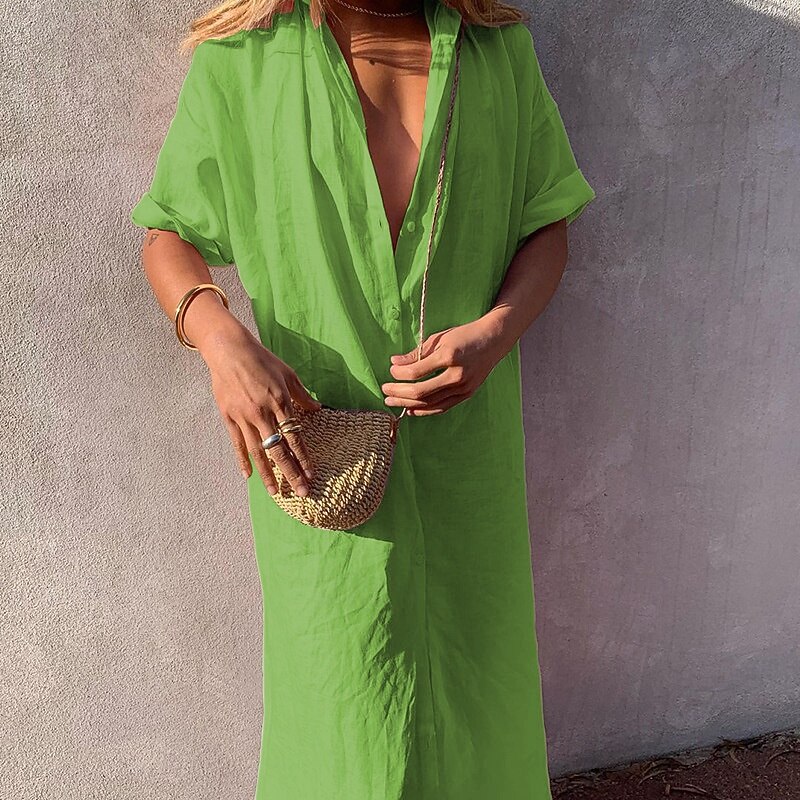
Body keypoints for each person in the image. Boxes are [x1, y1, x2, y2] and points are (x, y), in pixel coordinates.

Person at [130, 0, 595, 795]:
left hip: (469, 461)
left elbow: (545, 223)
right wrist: (222, 344)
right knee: (340, 720)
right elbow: (167, 233)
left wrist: (494, 334)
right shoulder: (247, 59)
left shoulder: (495, 53)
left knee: (482, 705)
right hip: (316, 455)